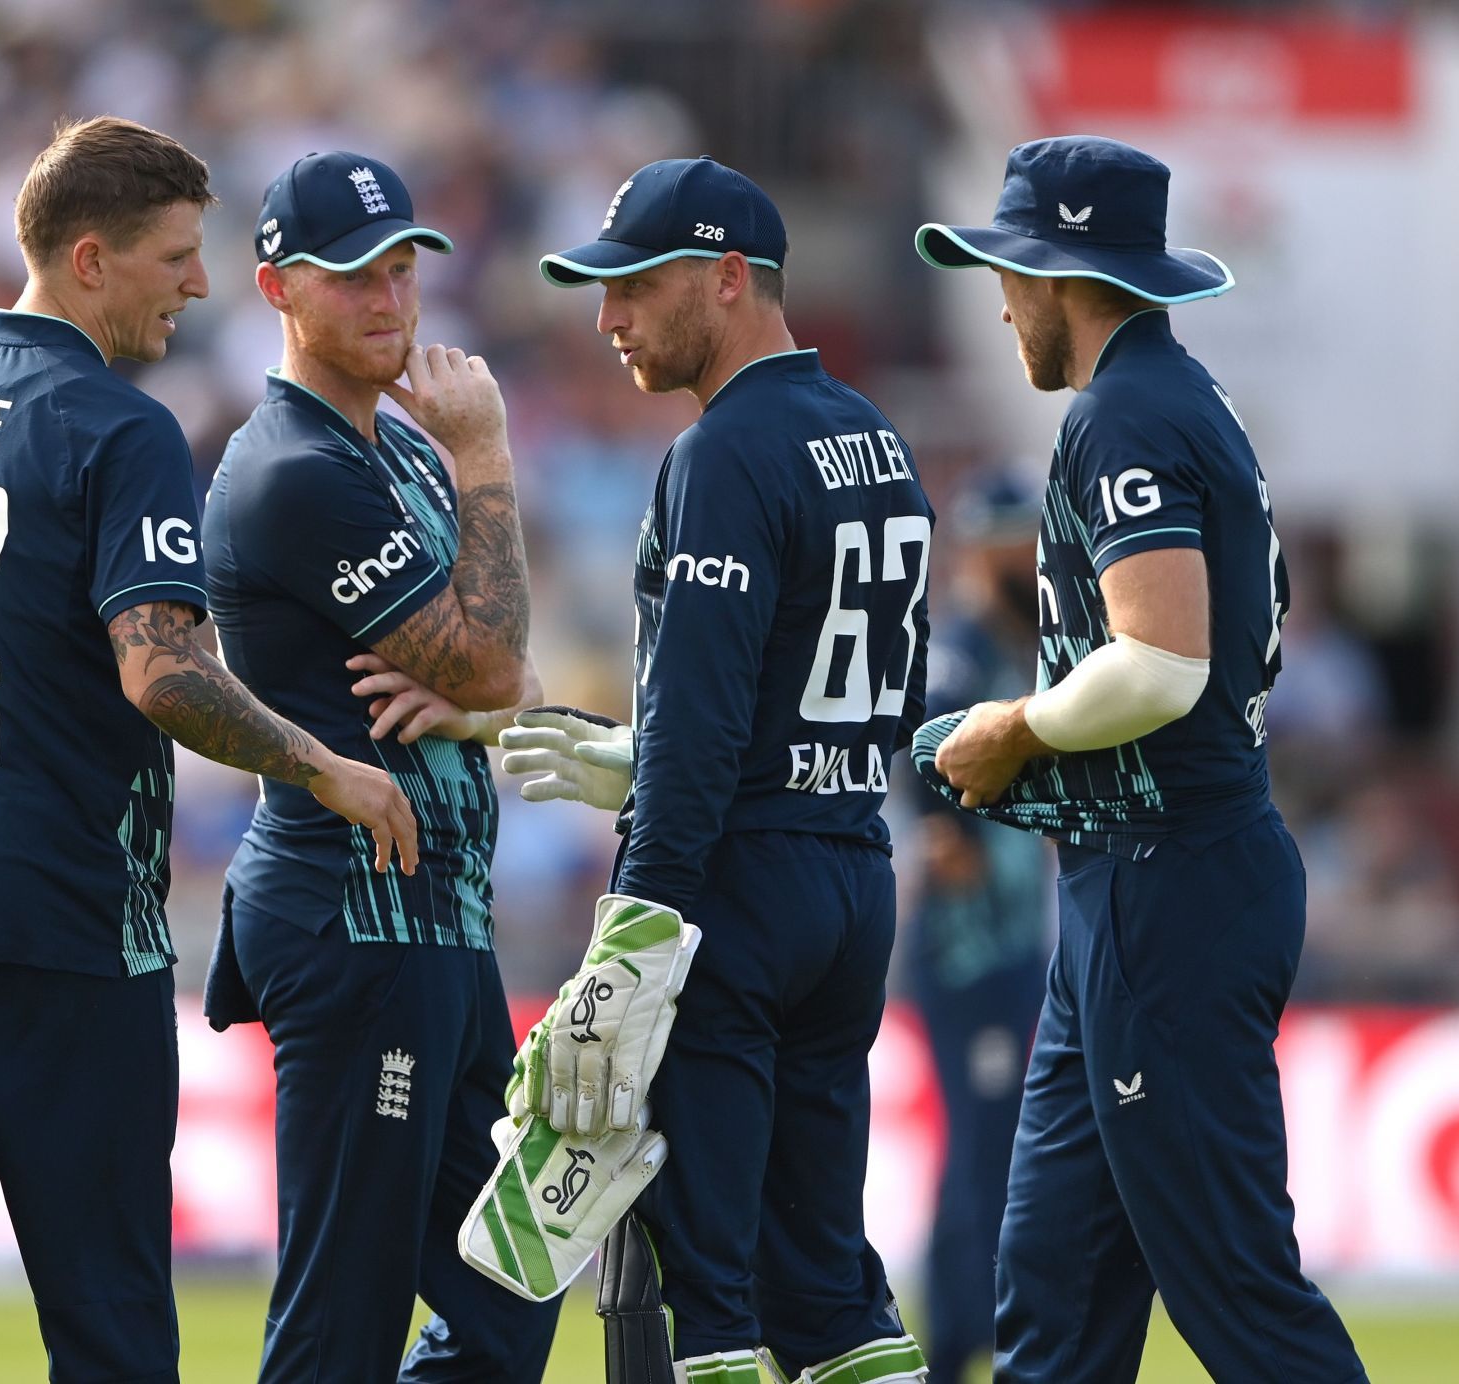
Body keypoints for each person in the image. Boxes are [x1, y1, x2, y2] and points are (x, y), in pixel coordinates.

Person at [0, 117, 416, 1384]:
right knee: (109, 1312)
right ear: (88, 261)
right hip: (51, 917)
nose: (196, 283)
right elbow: (164, 670)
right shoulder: (118, 429)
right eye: (176, 256)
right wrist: (323, 764)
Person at [912, 134, 1367, 1382]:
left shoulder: (1124, 411)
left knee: (1233, 1287)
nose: (999, 299)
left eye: (1011, 269)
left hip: (1170, 886)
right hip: (1137, 883)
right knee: (1052, 1292)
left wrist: (1016, 725)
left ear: (1064, 275)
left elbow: (1163, 664)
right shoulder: (1177, 395)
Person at [512, 155, 933, 1384]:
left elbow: (701, 731)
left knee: (711, 1289)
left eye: (636, 286)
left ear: (730, 277)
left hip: (735, 894)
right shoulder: (879, 438)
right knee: (829, 1278)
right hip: (854, 874)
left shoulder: (723, 453)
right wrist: (635, 759)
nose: (610, 319)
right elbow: (879, 701)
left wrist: (631, 931)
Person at [198, 150, 560, 1384]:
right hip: (358, 922)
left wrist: (470, 698)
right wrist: (490, 452)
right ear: (276, 290)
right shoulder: (295, 473)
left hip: (443, 929)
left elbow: (498, 680)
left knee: (511, 1299)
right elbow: (499, 658)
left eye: (403, 269)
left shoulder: (399, 452)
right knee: (341, 1318)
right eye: (353, 276)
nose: (390, 300)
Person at [901, 470, 1050, 1380]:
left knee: (998, 1147)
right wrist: (943, 830)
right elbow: (915, 739)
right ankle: (959, 1340)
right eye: (1019, 539)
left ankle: (981, 1329)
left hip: (1017, 940)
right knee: (981, 1147)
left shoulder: (1021, 643)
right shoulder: (957, 645)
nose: (1035, 556)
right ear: (983, 546)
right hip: (968, 947)